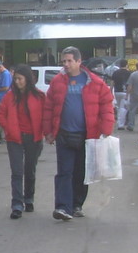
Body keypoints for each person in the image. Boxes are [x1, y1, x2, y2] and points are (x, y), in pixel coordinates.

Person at [41, 46, 114, 221]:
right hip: (64, 135)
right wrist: (49, 132)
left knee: (81, 173)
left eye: (69, 61)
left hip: (87, 136)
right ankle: (62, 207)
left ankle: (76, 204)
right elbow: (49, 108)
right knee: (64, 172)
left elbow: (106, 106)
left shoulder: (95, 82)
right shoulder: (57, 82)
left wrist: (106, 129)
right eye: (64, 61)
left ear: (79, 61)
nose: (66, 64)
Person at [0, 65, 45, 219]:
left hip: (33, 138)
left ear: (27, 79)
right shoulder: (10, 97)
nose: (17, 82)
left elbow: (46, 115)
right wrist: (8, 129)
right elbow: (1, 113)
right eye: (15, 79)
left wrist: (47, 132)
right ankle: (17, 204)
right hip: (14, 138)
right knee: (17, 172)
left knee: (30, 170)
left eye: (20, 79)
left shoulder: (39, 96)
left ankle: (29, 198)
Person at [111, 59, 131, 127]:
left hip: (117, 91)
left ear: (119, 65)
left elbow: (112, 83)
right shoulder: (129, 73)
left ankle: (120, 122)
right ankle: (121, 124)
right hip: (125, 92)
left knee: (119, 107)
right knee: (124, 108)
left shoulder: (115, 72)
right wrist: (129, 93)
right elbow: (130, 84)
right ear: (126, 64)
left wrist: (111, 91)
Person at [123, 65, 138, 131]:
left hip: (134, 95)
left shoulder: (133, 75)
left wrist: (127, 94)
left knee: (132, 111)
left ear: (136, 67)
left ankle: (131, 125)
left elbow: (130, 86)